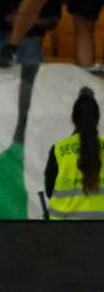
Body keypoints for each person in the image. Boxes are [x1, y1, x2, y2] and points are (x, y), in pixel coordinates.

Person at [45, 89, 104, 220]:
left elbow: (49, 191)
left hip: (64, 229)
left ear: (72, 118)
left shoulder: (58, 150)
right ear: (98, 119)